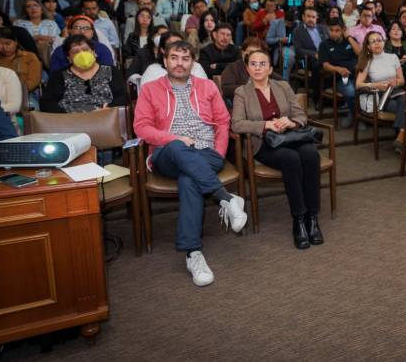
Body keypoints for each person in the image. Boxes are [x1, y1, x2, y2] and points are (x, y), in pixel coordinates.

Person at [134, 40, 247, 287]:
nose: (179, 63)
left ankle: (193, 254)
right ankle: (225, 198)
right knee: (177, 146)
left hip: (206, 153)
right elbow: (141, 128)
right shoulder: (151, 89)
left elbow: (222, 121)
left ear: (192, 62)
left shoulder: (207, 87)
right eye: (174, 57)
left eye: (185, 59)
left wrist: (218, 153)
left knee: (189, 179)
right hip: (167, 153)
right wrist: (174, 138)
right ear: (164, 61)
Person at [231, 49, 323, 249]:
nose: (257, 67)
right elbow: (236, 124)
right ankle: (298, 218)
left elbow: (301, 116)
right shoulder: (242, 92)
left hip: (291, 136)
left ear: (270, 68)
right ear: (247, 68)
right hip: (264, 143)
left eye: (262, 63)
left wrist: (289, 121)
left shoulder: (283, 86)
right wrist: (266, 125)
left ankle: (312, 216)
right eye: (253, 64)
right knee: (290, 159)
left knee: (311, 155)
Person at [355, 31, 406, 161]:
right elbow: (358, 85)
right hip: (380, 96)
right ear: (368, 46)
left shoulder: (393, 57)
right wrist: (376, 85)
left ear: (384, 42)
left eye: (379, 40)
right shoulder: (367, 60)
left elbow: (402, 80)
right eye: (373, 41)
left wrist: (395, 81)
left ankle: (402, 137)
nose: (377, 43)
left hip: (395, 92)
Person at [41, 35, 128, 113]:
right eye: (75, 52)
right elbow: (47, 103)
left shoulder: (111, 71)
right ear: (69, 58)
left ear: (94, 52)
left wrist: (109, 108)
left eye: (85, 49)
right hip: (71, 123)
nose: (81, 54)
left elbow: (123, 97)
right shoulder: (59, 76)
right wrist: (66, 114)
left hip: (104, 118)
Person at [318, 18, 360, 128]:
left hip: (358, 76)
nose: (333, 33)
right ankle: (358, 117)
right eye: (331, 30)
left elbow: (360, 53)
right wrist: (338, 69)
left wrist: (349, 37)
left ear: (343, 30)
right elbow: (325, 65)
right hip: (340, 78)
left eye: (337, 30)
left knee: (368, 91)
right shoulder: (324, 45)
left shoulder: (351, 40)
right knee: (351, 92)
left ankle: (352, 114)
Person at [141, 31, 207, 87]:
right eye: (171, 45)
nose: (177, 48)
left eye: (180, 44)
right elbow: (146, 96)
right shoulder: (152, 71)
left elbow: (206, 92)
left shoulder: (196, 67)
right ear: (163, 50)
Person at [50, 15, 115, 72]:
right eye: (77, 28)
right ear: (70, 31)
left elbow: (108, 72)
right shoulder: (60, 51)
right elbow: (55, 76)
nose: (82, 31)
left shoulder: (102, 49)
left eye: (86, 28)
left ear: (92, 33)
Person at [293, 7, 328, 107]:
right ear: (303, 17)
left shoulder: (323, 28)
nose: (311, 19)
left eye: (313, 17)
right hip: (308, 60)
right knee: (318, 66)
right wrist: (314, 54)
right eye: (308, 16)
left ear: (316, 18)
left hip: (326, 56)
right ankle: (317, 98)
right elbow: (298, 49)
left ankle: (331, 97)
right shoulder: (297, 31)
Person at [220, 37, 272, 102]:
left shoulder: (264, 68)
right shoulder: (232, 67)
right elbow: (226, 89)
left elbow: (280, 81)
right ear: (243, 53)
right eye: (250, 53)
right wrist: (251, 88)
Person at [0, 28, 42, 92]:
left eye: (8, 44)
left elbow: (33, 81)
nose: (5, 48)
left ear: (16, 42)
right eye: (0, 45)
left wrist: (14, 91)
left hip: (24, 93)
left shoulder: (29, 56)